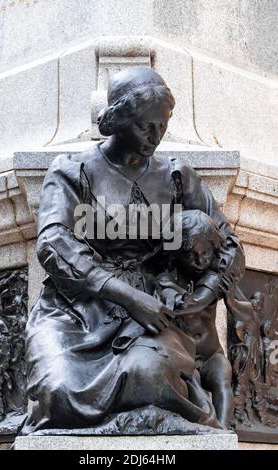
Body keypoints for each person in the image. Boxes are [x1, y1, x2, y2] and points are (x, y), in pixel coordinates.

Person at [23, 67, 245, 434]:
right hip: (76, 310)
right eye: (146, 126)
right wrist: (125, 296)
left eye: (163, 126)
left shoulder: (177, 175)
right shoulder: (72, 171)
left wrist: (201, 296)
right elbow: (52, 242)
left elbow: (230, 244)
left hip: (153, 310)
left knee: (149, 376)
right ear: (119, 119)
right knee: (56, 391)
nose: (156, 137)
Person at [153, 210, 234, 428]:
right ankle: (209, 427)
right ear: (177, 253)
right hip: (186, 358)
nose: (199, 261)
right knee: (191, 382)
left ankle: (224, 432)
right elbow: (179, 306)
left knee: (222, 378)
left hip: (211, 354)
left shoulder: (214, 276)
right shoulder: (166, 280)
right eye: (190, 255)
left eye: (205, 254)